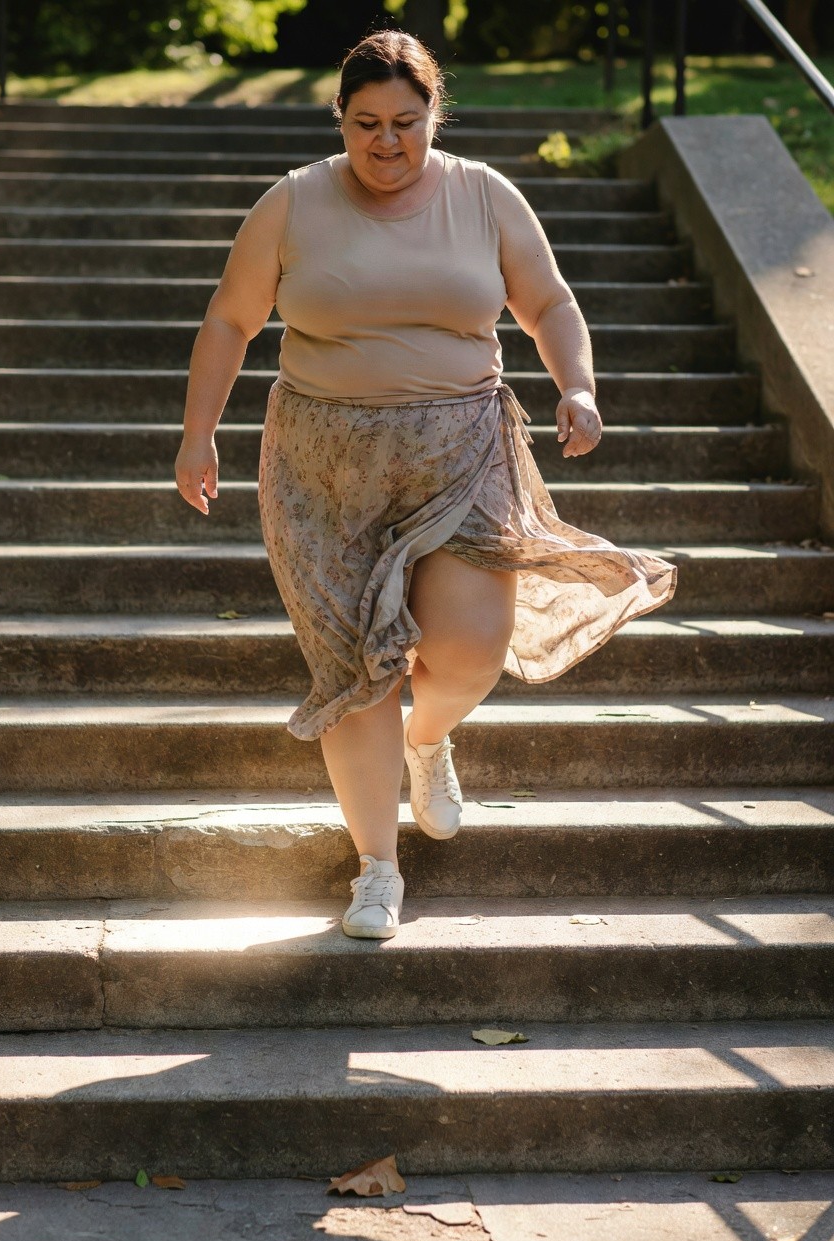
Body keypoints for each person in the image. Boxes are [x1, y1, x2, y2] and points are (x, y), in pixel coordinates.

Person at [175, 30, 677, 941]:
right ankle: (376, 868)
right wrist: (198, 434)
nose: (388, 142)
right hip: (323, 471)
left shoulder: (484, 195)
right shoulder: (294, 203)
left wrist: (577, 384)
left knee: (473, 647)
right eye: (366, 123)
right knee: (356, 669)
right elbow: (231, 319)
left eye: (407, 122)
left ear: (433, 115)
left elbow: (548, 301)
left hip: (462, 452)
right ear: (341, 120)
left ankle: (429, 737)